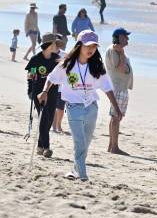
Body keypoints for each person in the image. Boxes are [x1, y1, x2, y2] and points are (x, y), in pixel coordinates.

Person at [38, 30, 123, 182]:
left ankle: (75, 169)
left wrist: (116, 107)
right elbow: (51, 78)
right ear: (79, 45)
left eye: (94, 46)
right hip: (73, 107)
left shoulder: (97, 66)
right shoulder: (67, 64)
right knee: (79, 141)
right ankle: (83, 176)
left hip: (91, 107)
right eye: (87, 46)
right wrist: (44, 91)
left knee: (86, 141)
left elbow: (107, 88)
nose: (91, 49)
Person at [26, 33, 62, 158]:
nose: (56, 45)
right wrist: (30, 91)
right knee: (44, 116)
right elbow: (30, 76)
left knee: (50, 119)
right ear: (48, 45)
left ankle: (40, 146)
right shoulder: (36, 59)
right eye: (54, 43)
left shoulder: (57, 58)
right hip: (38, 92)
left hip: (53, 92)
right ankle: (46, 147)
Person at [105, 28, 133, 155]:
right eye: (125, 36)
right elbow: (121, 69)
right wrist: (121, 54)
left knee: (115, 117)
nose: (127, 38)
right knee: (116, 117)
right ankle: (114, 147)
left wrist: (122, 53)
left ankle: (111, 146)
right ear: (119, 37)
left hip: (120, 88)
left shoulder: (117, 50)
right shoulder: (114, 50)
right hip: (118, 88)